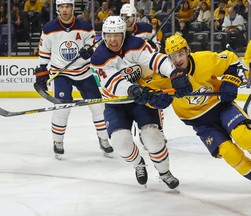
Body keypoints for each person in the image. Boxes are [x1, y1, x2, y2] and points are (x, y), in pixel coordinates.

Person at [133, 33, 251, 196]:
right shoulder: (163, 75)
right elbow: (146, 91)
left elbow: (232, 60)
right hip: (200, 122)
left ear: (187, 51)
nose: (177, 60)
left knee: (243, 136)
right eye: (172, 56)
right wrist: (155, 100)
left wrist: (230, 82)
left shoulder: (204, 59)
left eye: (180, 54)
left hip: (220, 107)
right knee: (229, 153)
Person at [90, 16, 179, 189]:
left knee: (152, 137)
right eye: (108, 35)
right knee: (120, 142)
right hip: (116, 103)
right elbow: (112, 83)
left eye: (116, 35)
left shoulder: (135, 44)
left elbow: (155, 60)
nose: (112, 40)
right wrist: (132, 89)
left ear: (124, 35)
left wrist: (174, 74)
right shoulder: (99, 56)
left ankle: (164, 172)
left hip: (141, 99)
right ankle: (138, 163)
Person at [34, 0, 113, 160]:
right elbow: (44, 52)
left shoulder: (85, 26)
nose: (64, 10)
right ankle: (58, 141)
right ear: (58, 9)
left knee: (97, 106)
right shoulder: (49, 28)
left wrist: (89, 51)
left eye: (67, 6)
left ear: (72, 8)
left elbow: (94, 46)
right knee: (62, 107)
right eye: (61, 7)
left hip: (84, 72)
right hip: (61, 73)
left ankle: (103, 139)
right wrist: (42, 71)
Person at [120, 3, 166, 144]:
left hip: (146, 70)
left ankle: (159, 129)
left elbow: (157, 45)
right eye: (123, 16)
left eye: (129, 17)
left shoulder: (145, 28)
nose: (126, 20)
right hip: (129, 71)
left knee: (154, 99)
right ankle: (135, 129)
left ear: (135, 17)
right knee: (132, 103)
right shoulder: (118, 31)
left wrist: (153, 46)